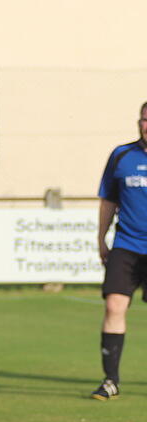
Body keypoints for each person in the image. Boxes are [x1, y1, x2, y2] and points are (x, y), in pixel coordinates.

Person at [92, 101, 147, 400]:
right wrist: (101, 239)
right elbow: (108, 202)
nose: (146, 125)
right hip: (126, 244)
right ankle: (110, 380)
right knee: (114, 307)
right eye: (144, 120)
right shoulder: (121, 155)